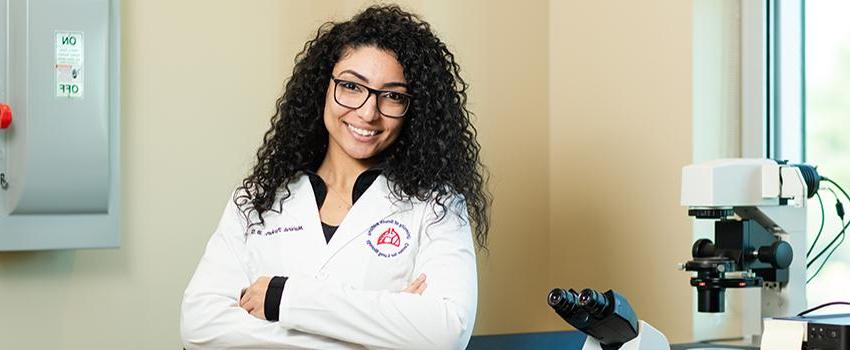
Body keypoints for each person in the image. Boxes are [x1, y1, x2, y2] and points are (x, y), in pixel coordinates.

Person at [180, 5, 490, 349]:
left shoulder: (437, 206)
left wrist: (285, 299)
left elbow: (445, 333)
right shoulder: (258, 198)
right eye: (352, 87)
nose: (368, 112)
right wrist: (378, 330)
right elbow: (200, 326)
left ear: (413, 109)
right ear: (322, 87)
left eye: (392, 95)